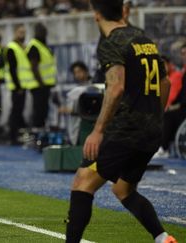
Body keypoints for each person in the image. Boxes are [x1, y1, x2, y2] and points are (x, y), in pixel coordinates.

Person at [65, 1, 176, 243]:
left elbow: (115, 88)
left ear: (96, 15)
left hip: (125, 130)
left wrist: (97, 130)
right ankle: (162, 237)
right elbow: (165, 83)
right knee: (123, 190)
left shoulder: (111, 41)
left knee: (82, 183)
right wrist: (154, 116)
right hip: (152, 130)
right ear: (123, 11)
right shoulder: (142, 38)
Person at [27, 23, 57, 130]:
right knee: (39, 111)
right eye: (42, 31)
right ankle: (37, 133)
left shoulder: (43, 45)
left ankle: (41, 130)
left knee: (43, 110)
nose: (44, 33)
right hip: (39, 84)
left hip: (45, 84)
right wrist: (41, 83)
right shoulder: (34, 46)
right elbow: (34, 67)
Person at [153, 55, 185, 158]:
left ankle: (163, 148)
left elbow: (172, 97)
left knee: (168, 115)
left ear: (169, 65)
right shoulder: (161, 78)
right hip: (177, 106)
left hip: (181, 110)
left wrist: (168, 107)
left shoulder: (176, 77)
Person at [5, 24, 29, 145]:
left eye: (24, 33)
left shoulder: (22, 47)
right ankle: (12, 137)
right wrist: (18, 86)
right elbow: (13, 69)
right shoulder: (12, 48)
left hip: (22, 85)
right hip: (17, 86)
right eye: (20, 32)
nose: (22, 35)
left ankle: (17, 135)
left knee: (19, 111)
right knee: (16, 111)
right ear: (15, 33)